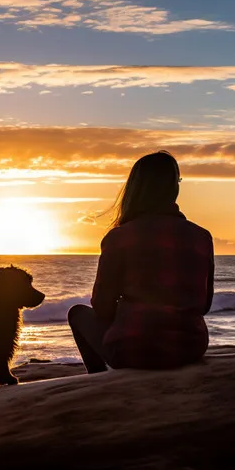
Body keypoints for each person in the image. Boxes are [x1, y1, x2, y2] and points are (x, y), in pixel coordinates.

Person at [68, 151, 214, 373]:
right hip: (190, 348)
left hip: (133, 350)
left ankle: (99, 379)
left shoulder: (120, 237)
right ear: (174, 187)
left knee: (77, 314)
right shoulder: (201, 237)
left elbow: (102, 307)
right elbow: (204, 305)